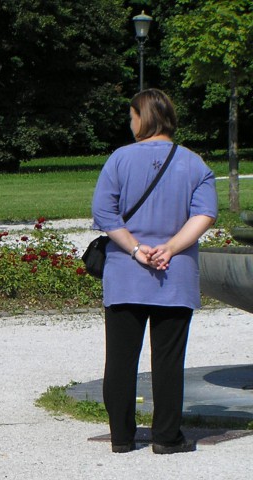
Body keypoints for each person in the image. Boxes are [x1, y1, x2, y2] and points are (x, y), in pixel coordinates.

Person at [91, 89, 217, 455]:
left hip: (126, 271)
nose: (130, 125)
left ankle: (121, 436)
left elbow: (105, 213)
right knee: (168, 359)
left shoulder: (119, 160)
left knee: (120, 358)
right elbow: (204, 214)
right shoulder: (195, 164)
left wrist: (134, 248)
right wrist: (171, 247)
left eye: (132, 117)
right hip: (174, 274)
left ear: (142, 118)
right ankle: (166, 436)